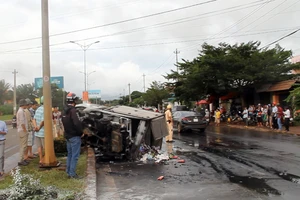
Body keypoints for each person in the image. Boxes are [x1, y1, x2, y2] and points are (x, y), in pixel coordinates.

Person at [62, 93, 83, 179]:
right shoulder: (73, 111)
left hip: (68, 136)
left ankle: (68, 171)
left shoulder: (64, 111)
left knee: (70, 155)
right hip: (74, 136)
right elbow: (77, 123)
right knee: (75, 156)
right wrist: (81, 132)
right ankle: (72, 174)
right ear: (74, 101)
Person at [32, 96, 45, 166]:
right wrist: (39, 127)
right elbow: (43, 121)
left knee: (39, 147)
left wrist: (35, 127)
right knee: (45, 147)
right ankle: (46, 159)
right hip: (43, 132)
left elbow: (34, 119)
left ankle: (40, 159)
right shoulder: (45, 109)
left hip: (37, 132)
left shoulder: (38, 109)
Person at [16, 99, 29, 166]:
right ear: (23, 105)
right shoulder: (21, 112)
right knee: (23, 146)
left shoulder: (21, 111)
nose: (26, 105)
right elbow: (22, 122)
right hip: (22, 130)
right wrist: (25, 130)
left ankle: (23, 159)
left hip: (21, 130)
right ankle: (20, 160)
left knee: (23, 145)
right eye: (26, 104)